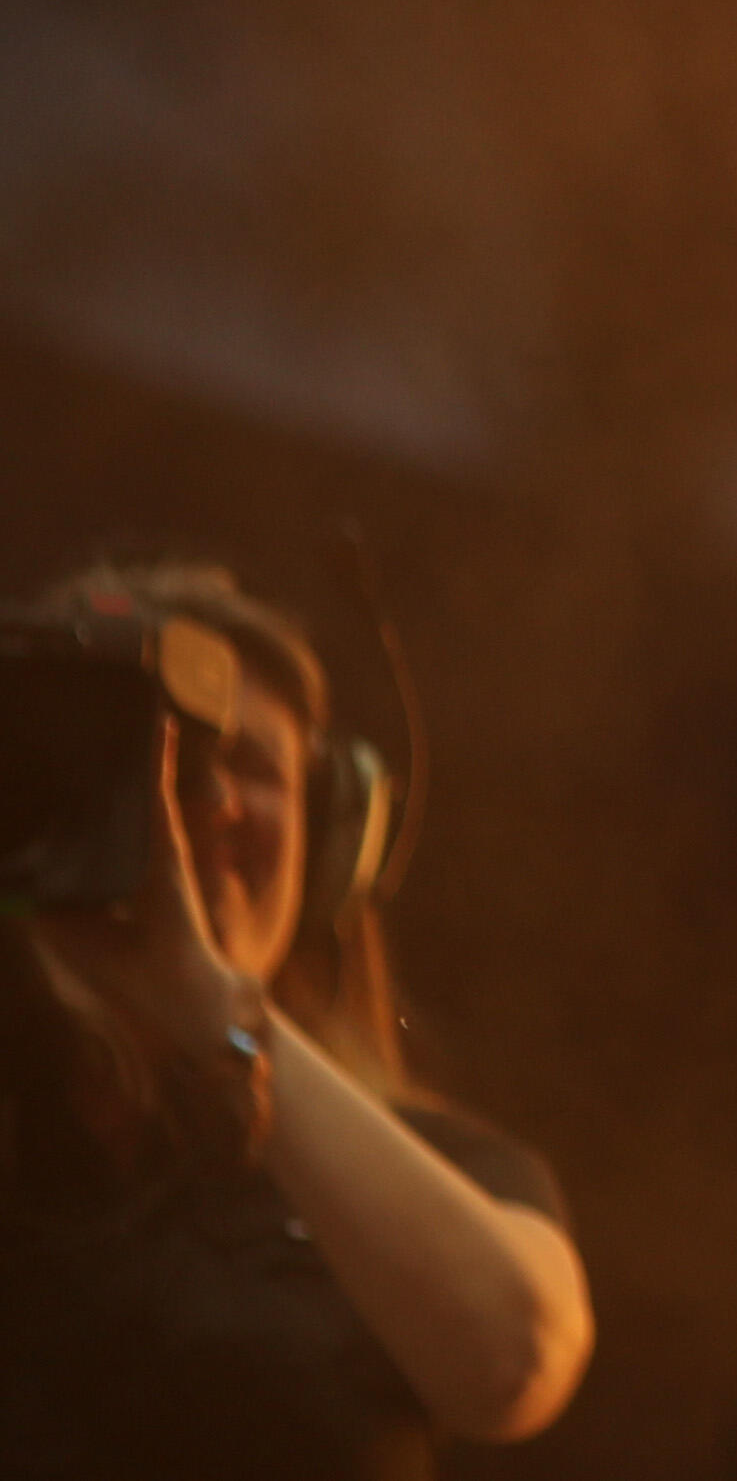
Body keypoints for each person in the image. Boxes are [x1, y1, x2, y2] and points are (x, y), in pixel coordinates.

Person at [0, 560, 592, 1476]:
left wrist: (213, 1009)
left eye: (246, 763)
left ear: (332, 838)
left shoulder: (437, 1168)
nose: (205, 803)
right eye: (151, 760)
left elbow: (510, 1362)